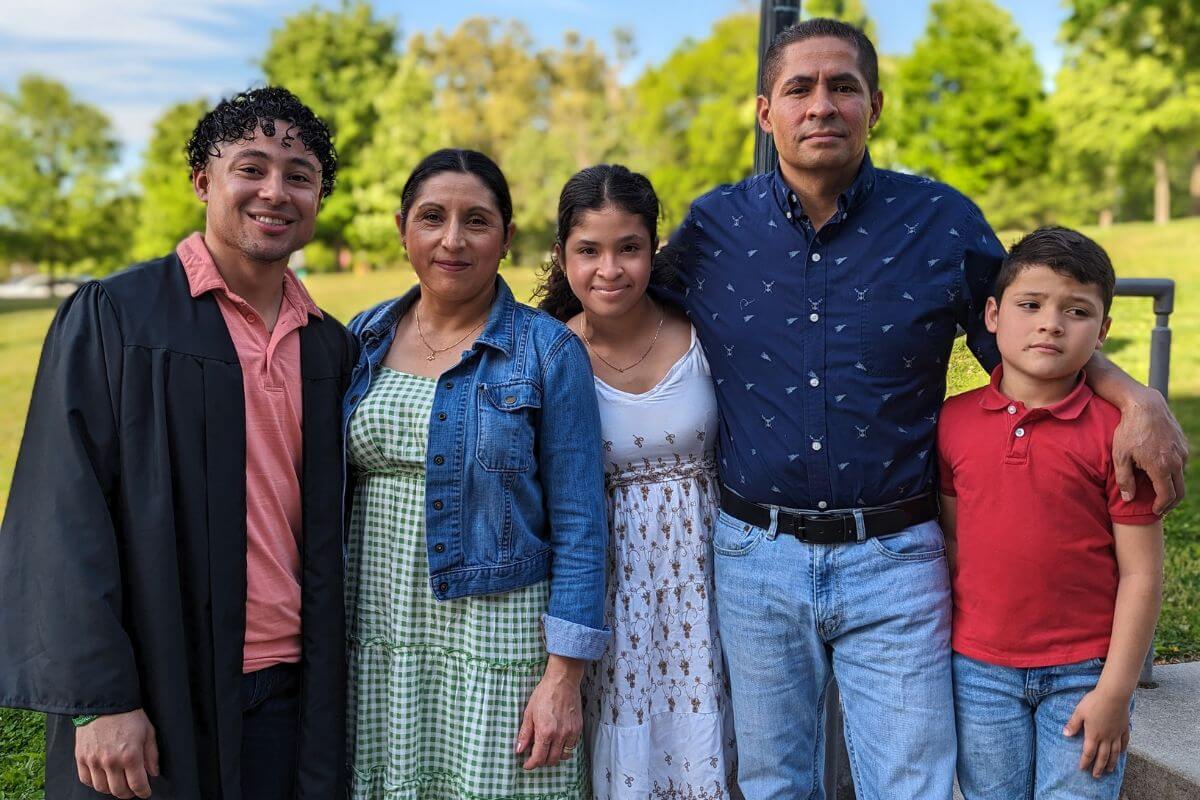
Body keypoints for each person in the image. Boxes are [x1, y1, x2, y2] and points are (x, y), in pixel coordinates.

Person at [658, 18, 1188, 800]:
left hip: (896, 560)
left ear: (875, 104)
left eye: (842, 86)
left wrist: (1134, 395)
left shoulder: (940, 222)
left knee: (913, 786)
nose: (821, 105)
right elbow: (618, 307)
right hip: (754, 555)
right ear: (764, 112)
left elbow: (1026, 341)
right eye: (798, 88)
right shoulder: (713, 229)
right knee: (774, 783)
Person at [0, 87, 354, 800]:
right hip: (156, 688)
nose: (274, 191)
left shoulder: (330, 346)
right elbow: (61, 510)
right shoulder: (118, 317)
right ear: (203, 181)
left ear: (318, 198)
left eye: (299, 175)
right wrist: (99, 698)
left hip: (294, 690)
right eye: (250, 167)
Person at [342, 148, 608, 800]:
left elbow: (581, 521)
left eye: (477, 221)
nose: (452, 239)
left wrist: (563, 678)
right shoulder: (363, 337)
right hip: (376, 632)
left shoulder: (548, 350)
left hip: (495, 637)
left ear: (507, 237)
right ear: (403, 228)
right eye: (432, 217)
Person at [939, 227, 1163, 800]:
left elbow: (1142, 573)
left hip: (1085, 670)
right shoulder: (953, 423)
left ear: (1104, 330)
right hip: (979, 670)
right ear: (992, 315)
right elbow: (956, 543)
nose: (1050, 323)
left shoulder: (1119, 436)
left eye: (1077, 310)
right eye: (1030, 305)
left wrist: (1115, 691)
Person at [537, 164, 738, 798]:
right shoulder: (546, 352)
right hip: (612, 584)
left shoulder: (702, 334)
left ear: (653, 249)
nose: (610, 269)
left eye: (630, 248)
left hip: (713, 573)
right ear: (562, 255)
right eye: (588, 250)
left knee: (722, 729)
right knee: (630, 738)